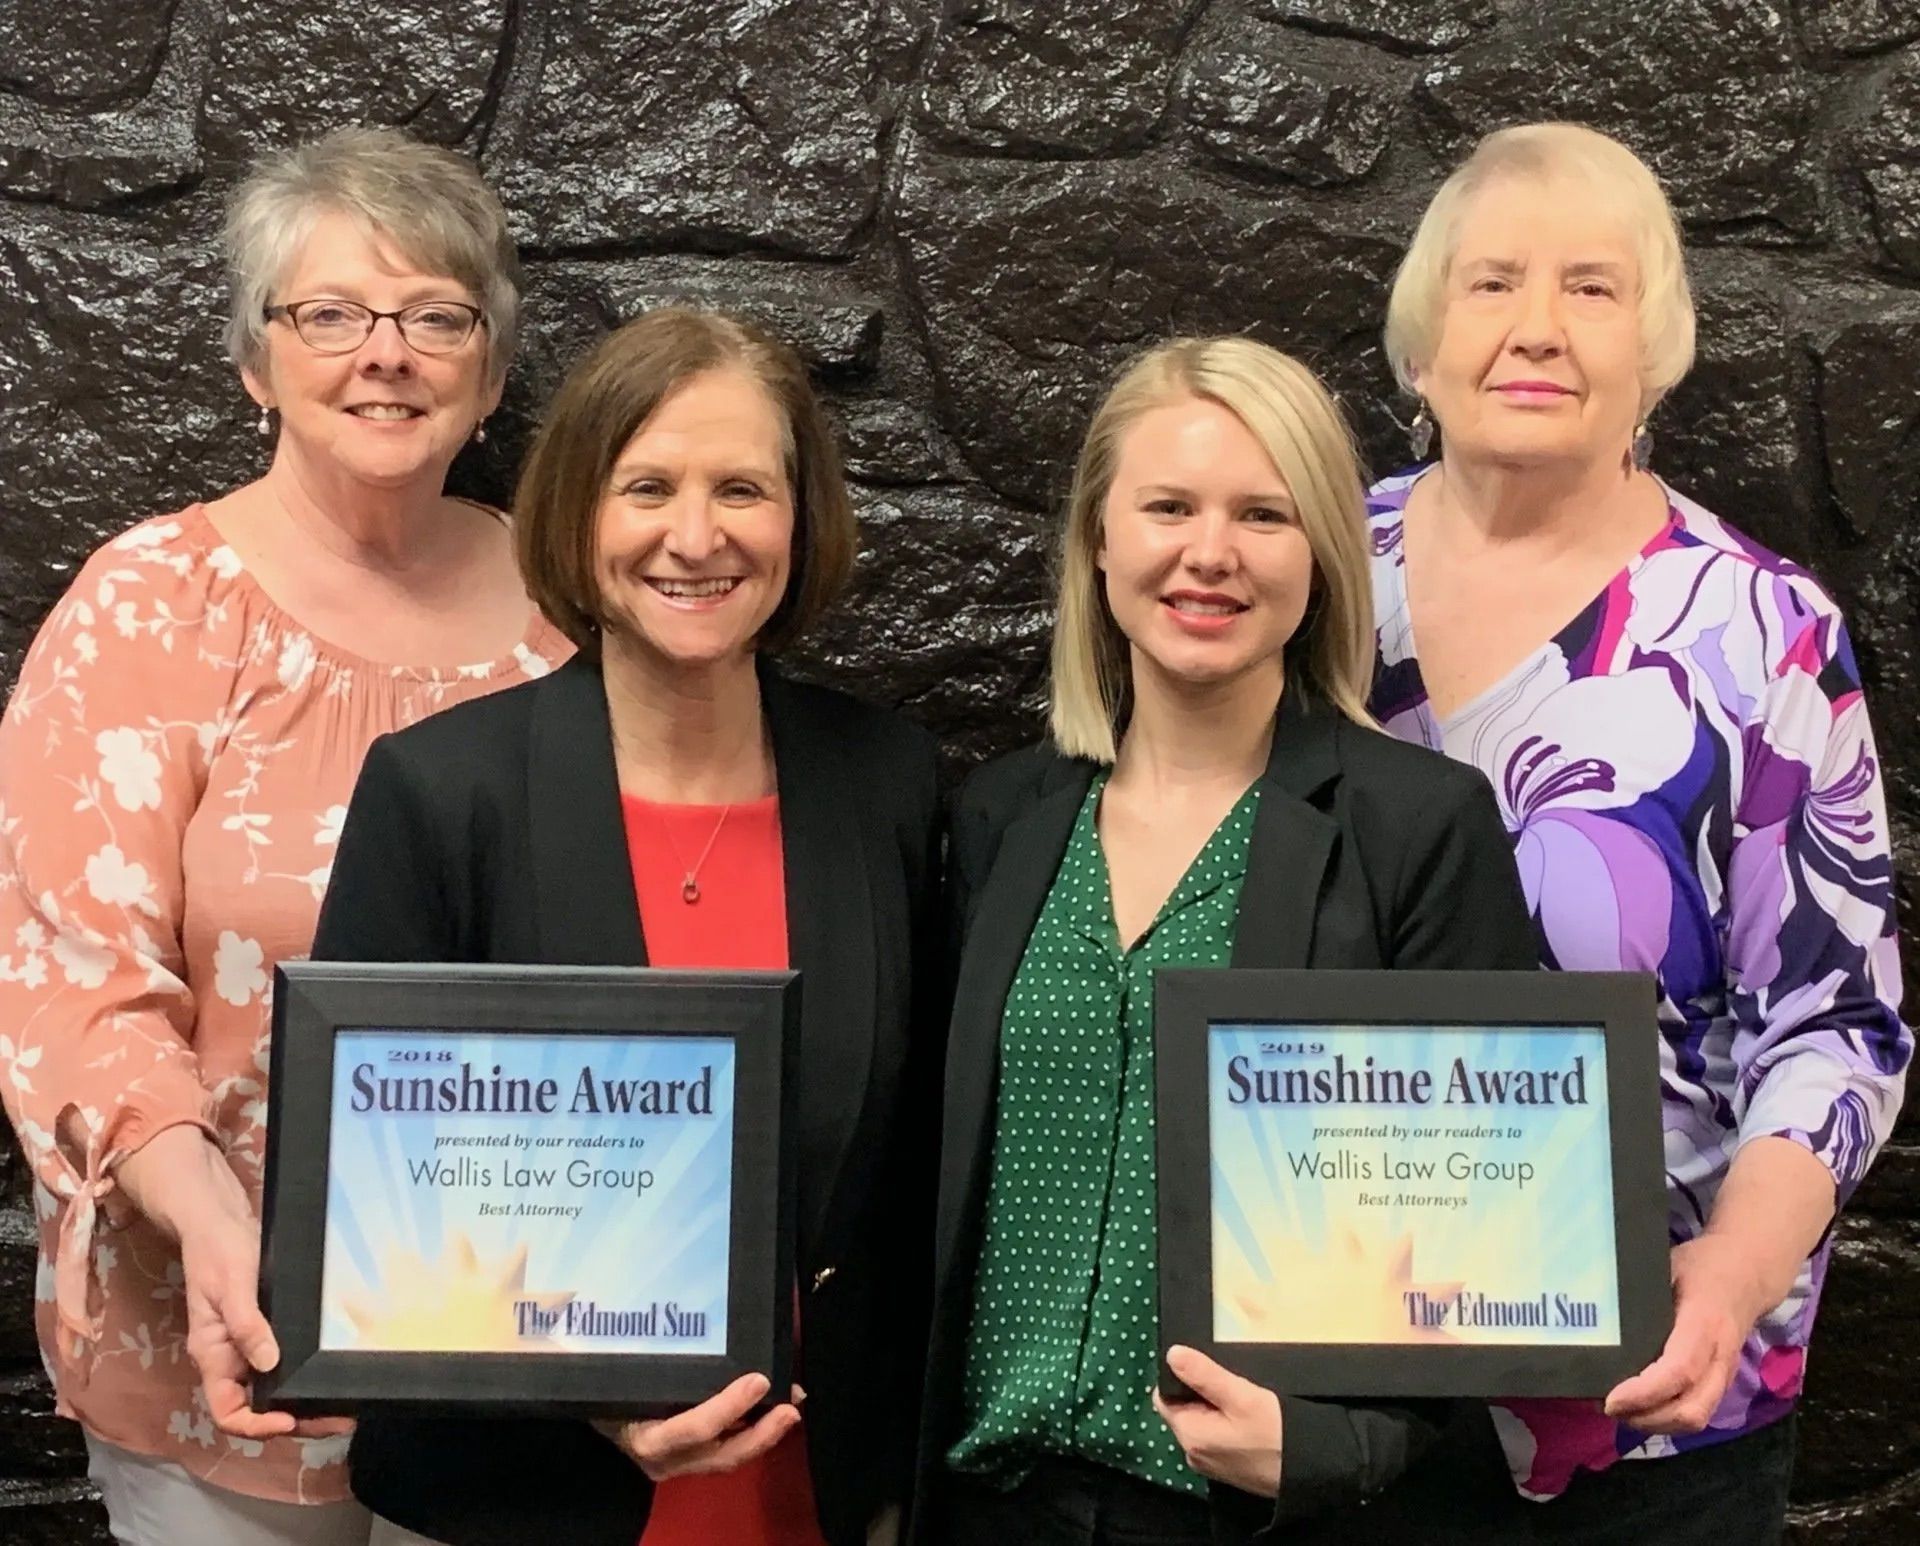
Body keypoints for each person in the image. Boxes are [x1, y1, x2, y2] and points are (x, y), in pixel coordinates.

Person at [0, 127, 568, 1545]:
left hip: (515, 1345)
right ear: (258, 358)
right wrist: (212, 1225)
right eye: (329, 312)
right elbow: (73, 982)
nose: (387, 352)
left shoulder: (578, 616)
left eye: (438, 317)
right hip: (221, 1346)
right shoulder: (149, 606)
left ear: (490, 371)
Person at [310, 307, 942, 1546]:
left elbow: (910, 1174)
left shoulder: (891, 783)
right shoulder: (442, 792)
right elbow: (369, 1204)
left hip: (814, 1495)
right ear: (578, 515)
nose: (695, 536)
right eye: (646, 485)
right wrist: (581, 1395)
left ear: (800, 516)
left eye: (743, 489)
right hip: (519, 1498)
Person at [1368, 121, 1910, 1543]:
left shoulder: (1762, 633)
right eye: (1491, 283)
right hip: (1340, 1382)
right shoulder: (1301, 575)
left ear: (1656, 349)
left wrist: (1726, 1278)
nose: (1535, 327)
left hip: (1653, 1396)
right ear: (1422, 344)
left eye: (1592, 288)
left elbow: (1840, 1022)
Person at [913, 335, 1539, 1546]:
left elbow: (1482, 1212)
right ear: (1101, 539)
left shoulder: (1418, 828)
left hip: (1254, 1514)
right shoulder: (999, 819)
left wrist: (1339, 1446)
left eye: (1264, 512)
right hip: (993, 1502)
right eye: (1169, 506)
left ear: (1321, 555)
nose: (1210, 552)